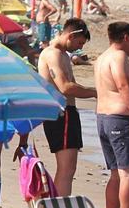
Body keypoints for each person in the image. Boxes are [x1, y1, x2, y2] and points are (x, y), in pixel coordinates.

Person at [93, 22, 129, 208]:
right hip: (121, 121)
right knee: (128, 175)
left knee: (116, 174)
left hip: (104, 119)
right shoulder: (118, 57)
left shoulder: (101, 58)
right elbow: (123, 86)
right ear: (126, 37)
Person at [38, 19, 96, 196]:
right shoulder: (53, 54)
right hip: (60, 114)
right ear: (70, 35)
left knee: (68, 169)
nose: (78, 48)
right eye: (78, 43)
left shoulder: (63, 54)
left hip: (67, 114)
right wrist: (96, 91)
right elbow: (65, 87)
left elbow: (71, 85)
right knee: (66, 169)